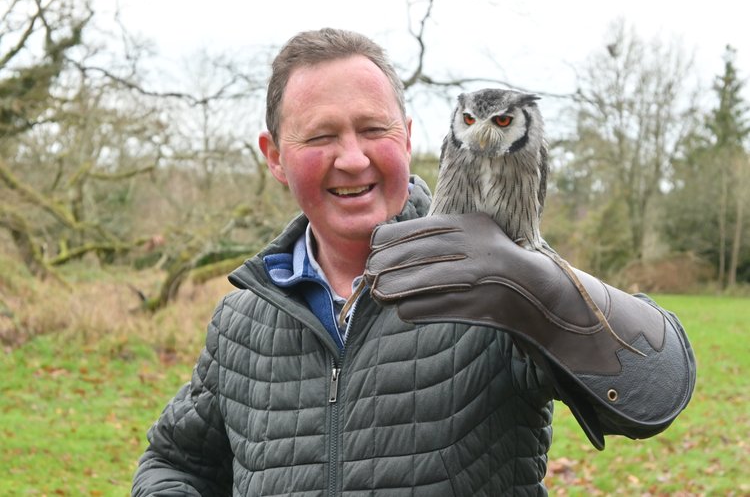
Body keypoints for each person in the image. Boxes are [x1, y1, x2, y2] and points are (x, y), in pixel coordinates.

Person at [132, 28, 696, 496]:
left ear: (406, 138)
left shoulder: (490, 287)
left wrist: (537, 290)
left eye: (373, 130)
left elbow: (658, 388)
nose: (352, 159)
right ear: (276, 158)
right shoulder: (243, 321)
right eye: (321, 136)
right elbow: (173, 462)